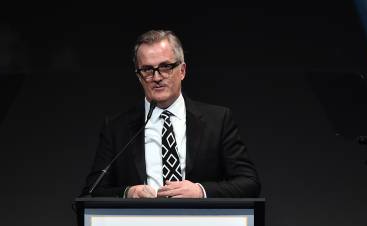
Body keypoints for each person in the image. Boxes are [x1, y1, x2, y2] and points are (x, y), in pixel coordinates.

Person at [84, 29, 260, 198]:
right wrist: (128, 193)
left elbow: (249, 183)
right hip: (141, 225)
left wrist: (200, 191)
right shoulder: (117, 128)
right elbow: (92, 190)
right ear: (138, 76)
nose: (157, 77)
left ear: (182, 71)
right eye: (147, 70)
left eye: (165, 67)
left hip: (201, 224)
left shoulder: (218, 120)